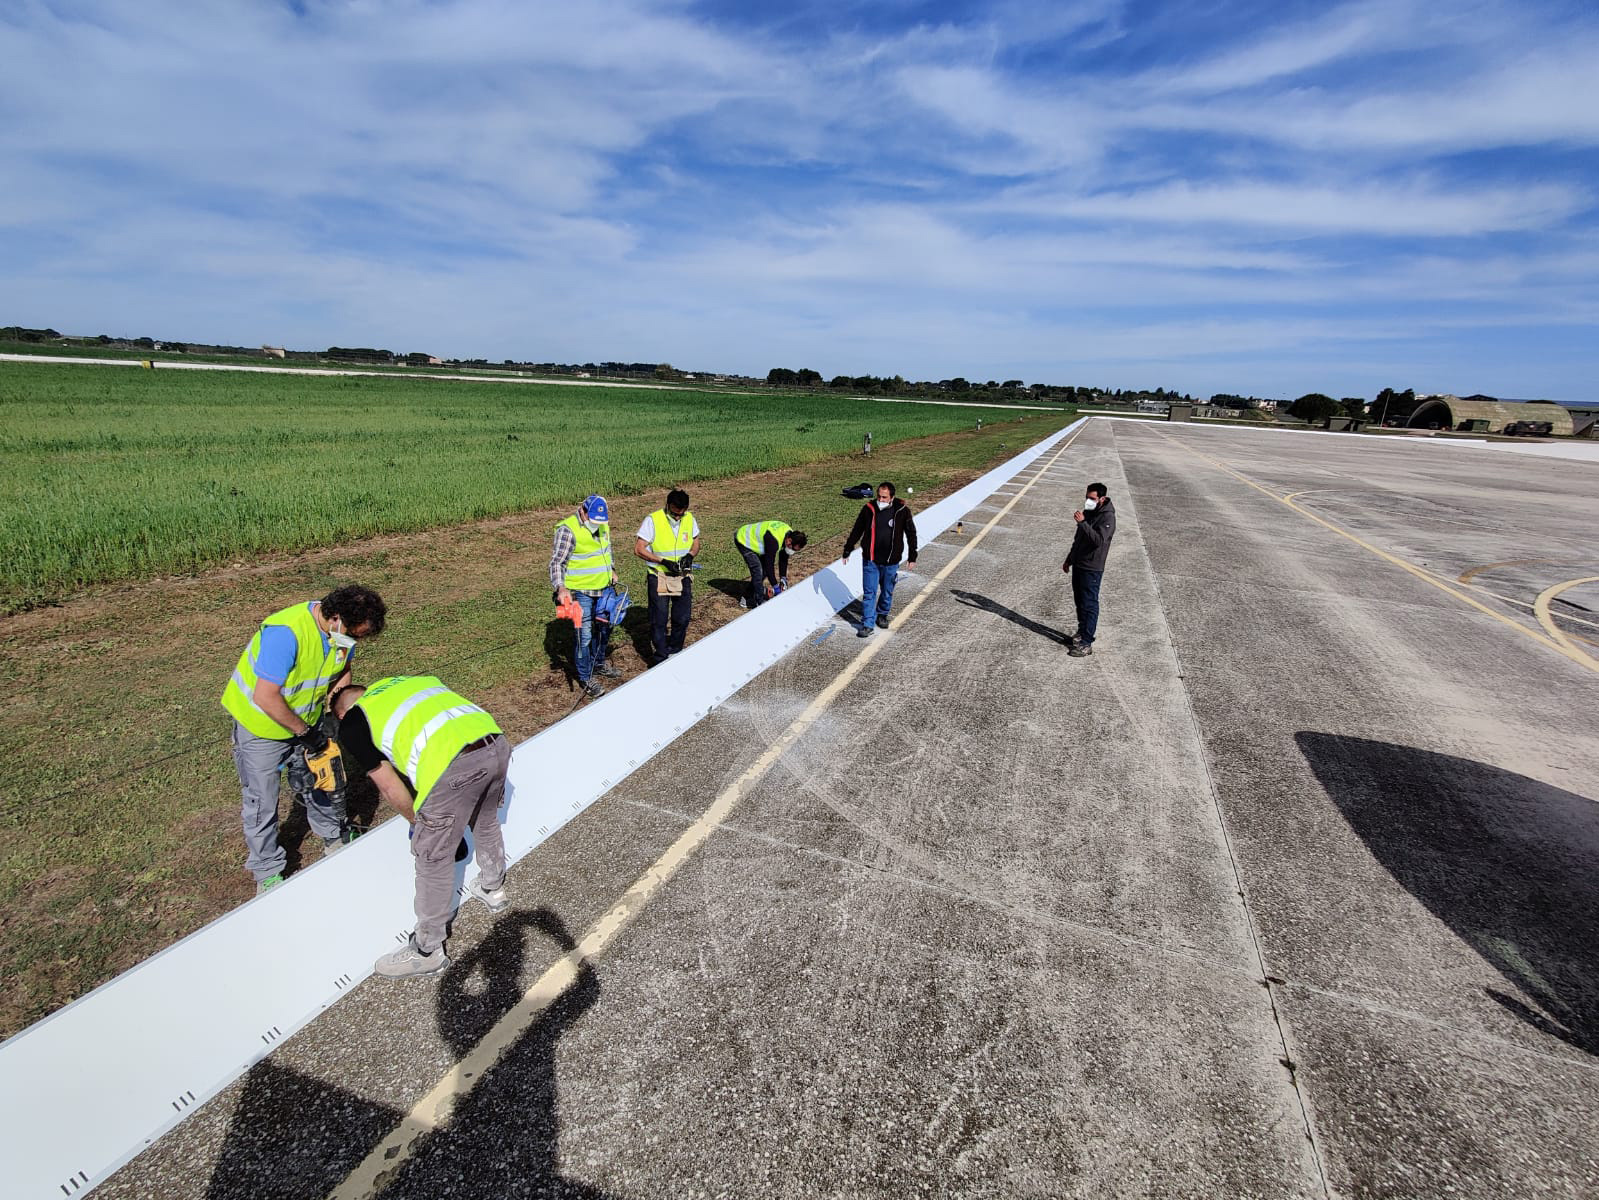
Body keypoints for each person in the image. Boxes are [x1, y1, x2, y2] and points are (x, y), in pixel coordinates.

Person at [331, 676, 509, 979]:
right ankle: (493, 889)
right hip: (495, 743)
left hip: (453, 765)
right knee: (485, 818)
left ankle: (427, 949)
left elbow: (389, 787)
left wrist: (421, 823)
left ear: (342, 713)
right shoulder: (409, 683)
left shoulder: (353, 723)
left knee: (433, 857)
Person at [220, 584, 387, 894]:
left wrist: (339, 713)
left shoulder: (341, 633)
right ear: (335, 617)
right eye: (355, 634)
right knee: (262, 801)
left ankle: (333, 837)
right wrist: (306, 733)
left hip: (307, 723)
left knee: (323, 782)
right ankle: (267, 871)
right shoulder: (285, 634)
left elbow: (341, 671)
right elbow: (266, 696)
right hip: (262, 730)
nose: (355, 641)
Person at [551, 494, 619, 697]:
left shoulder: (602, 524)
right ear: (583, 511)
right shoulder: (567, 530)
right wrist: (560, 588)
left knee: (605, 628)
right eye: (593, 521)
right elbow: (557, 563)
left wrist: (612, 569)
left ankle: (598, 663)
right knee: (585, 635)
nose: (596, 525)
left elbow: (606, 550)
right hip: (581, 593)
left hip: (604, 587)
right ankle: (586, 676)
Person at [634, 488, 701, 664]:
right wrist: (662, 561)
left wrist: (690, 555)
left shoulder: (689, 518)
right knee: (659, 619)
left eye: (681, 513)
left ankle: (676, 650)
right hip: (660, 576)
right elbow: (639, 549)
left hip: (682, 576)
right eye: (674, 513)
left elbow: (695, 542)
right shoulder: (653, 520)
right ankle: (661, 657)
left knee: (682, 617)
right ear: (668, 505)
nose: (678, 517)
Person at [843, 481, 918, 637]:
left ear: (892, 497)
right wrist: (848, 549)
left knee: (887, 590)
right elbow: (857, 529)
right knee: (869, 592)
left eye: (884, 497)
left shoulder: (902, 511)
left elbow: (911, 533)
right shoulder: (868, 510)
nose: (881, 500)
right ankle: (867, 623)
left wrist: (912, 556)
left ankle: (882, 613)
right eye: (879, 496)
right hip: (871, 560)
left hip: (891, 561)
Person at [1062, 482, 1116, 657]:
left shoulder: (1108, 518)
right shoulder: (1088, 512)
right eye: (1086, 497)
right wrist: (1069, 559)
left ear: (1102, 498)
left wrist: (1083, 523)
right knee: (1080, 602)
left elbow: (1099, 541)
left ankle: (1086, 642)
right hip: (1079, 563)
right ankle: (1081, 632)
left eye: (1092, 498)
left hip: (1092, 567)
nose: (1088, 501)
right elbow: (1079, 539)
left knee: (1089, 604)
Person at [734, 520, 808, 608]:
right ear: (789, 541)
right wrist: (776, 587)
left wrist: (783, 578)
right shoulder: (773, 541)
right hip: (743, 540)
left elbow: (783, 558)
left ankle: (748, 596)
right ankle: (758, 601)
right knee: (758, 570)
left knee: (763, 571)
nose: (793, 551)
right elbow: (770, 567)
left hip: (757, 540)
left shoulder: (789, 533)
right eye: (794, 549)